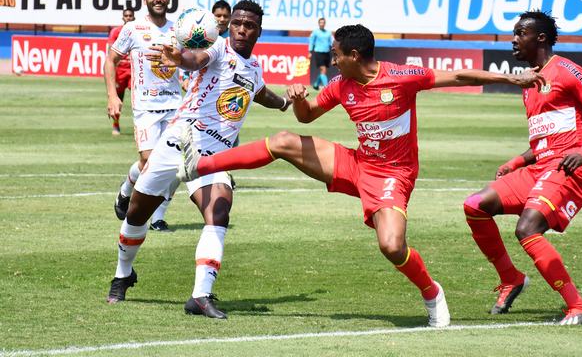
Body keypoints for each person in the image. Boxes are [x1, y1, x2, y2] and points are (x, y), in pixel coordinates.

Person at [176, 23, 545, 327]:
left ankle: (432, 292)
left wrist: (513, 79)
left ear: (354, 55)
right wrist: (300, 99)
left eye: (336, 54)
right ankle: (202, 165)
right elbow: (307, 117)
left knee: (392, 246)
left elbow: (460, 75)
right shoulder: (342, 85)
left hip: (393, 175)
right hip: (357, 163)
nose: (332, 60)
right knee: (285, 140)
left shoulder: (402, 76)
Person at [106, 0, 291, 319]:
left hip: (215, 155)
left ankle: (200, 295)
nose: (241, 30)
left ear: (258, 31)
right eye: (236, 23)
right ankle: (123, 274)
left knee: (219, 211)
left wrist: (286, 102)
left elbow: (263, 94)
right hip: (180, 141)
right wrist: (180, 58)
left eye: (249, 26)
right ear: (228, 26)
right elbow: (195, 59)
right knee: (136, 215)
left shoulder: (254, 69)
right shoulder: (218, 48)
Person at [463, 11, 582, 325]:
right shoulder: (529, 82)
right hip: (541, 167)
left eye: (521, 34)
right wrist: (517, 161)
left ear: (540, 38)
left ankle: (580, 308)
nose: (514, 40)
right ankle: (511, 278)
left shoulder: (566, 70)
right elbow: (546, 138)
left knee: (527, 228)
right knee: (475, 205)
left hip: (569, 168)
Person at [104, 0, 180, 232]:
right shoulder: (133, 28)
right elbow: (111, 60)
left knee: (175, 165)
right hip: (146, 107)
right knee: (148, 162)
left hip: (174, 106)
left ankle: (157, 216)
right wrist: (112, 96)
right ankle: (126, 190)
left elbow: (187, 62)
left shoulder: (178, 29)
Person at [106, 7, 135, 136]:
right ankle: (116, 124)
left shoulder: (137, 31)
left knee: (138, 99)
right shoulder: (116, 31)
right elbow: (110, 52)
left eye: (130, 16)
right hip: (120, 70)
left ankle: (139, 126)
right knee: (118, 98)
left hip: (133, 70)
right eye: (126, 16)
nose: (128, 18)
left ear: (133, 17)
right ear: (123, 17)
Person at [308, 17, 332, 90]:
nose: (322, 24)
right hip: (318, 52)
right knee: (323, 69)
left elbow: (331, 42)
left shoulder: (328, 33)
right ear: (318, 23)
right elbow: (311, 42)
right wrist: (310, 51)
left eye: (323, 22)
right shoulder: (315, 32)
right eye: (320, 22)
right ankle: (327, 87)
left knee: (323, 71)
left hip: (327, 53)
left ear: (325, 24)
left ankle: (316, 84)